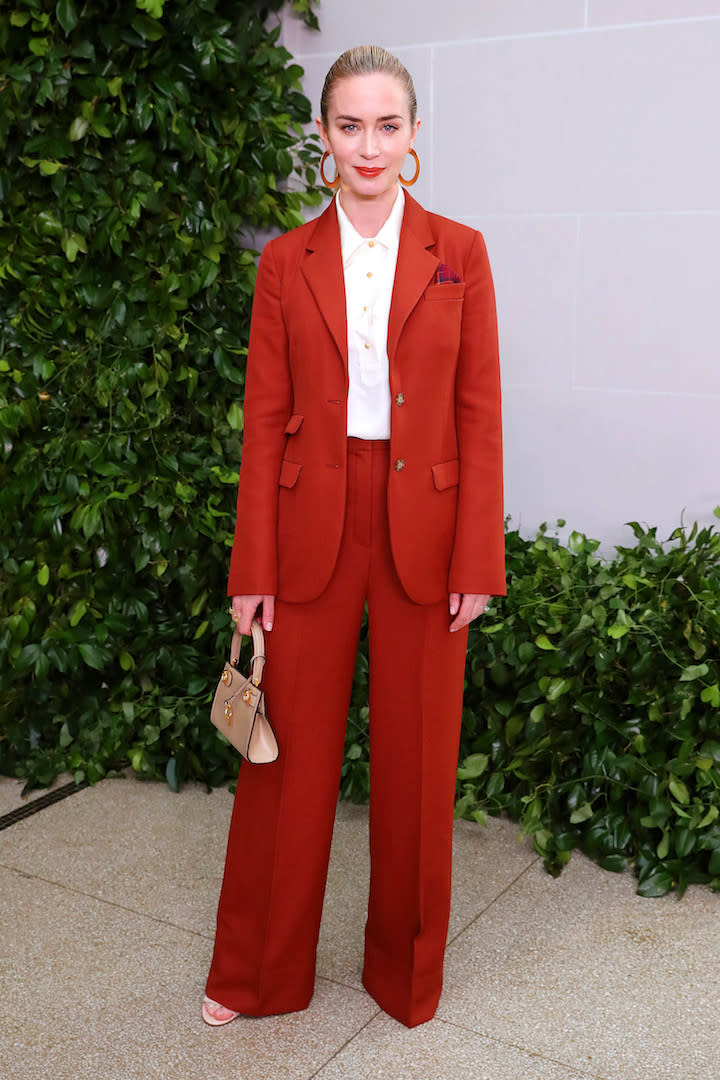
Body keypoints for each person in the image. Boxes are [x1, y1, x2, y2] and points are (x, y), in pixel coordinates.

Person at [203, 44, 505, 1030]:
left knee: (419, 769)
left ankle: (404, 981)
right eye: (348, 125)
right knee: (280, 762)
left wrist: (476, 560)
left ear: (413, 136)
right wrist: (252, 570)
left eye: (387, 125)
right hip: (308, 526)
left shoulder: (461, 253)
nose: (367, 146)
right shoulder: (285, 263)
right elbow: (262, 421)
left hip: (426, 525)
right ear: (324, 137)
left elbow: (478, 412)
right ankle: (256, 976)